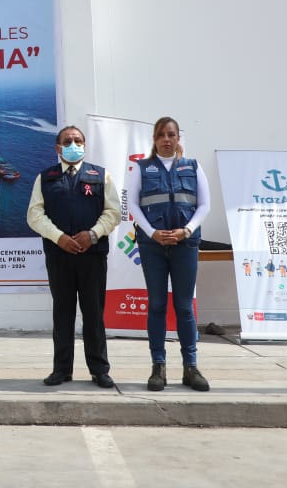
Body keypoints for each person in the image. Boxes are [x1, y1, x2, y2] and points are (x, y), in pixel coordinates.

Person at [26, 125, 121, 388]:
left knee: (93, 313)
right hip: (60, 255)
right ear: (58, 148)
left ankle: (99, 369)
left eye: (78, 140)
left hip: (92, 255)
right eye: (67, 141)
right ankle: (62, 369)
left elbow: (113, 212)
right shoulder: (45, 177)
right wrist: (60, 237)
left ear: (85, 145)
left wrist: (92, 234)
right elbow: (34, 215)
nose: (73, 144)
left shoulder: (101, 176)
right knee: (63, 313)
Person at [128, 116, 211, 392]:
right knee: (157, 305)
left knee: (185, 307)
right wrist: (152, 232)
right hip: (153, 245)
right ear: (154, 139)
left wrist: (186, 230)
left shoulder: (193, 167)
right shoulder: (141, 168)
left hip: (185, 244)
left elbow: (204, 205)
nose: (167, 139)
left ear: (178, 139)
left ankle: (191, 367)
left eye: (172, 135)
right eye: (162, 135)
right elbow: (133, 205)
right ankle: (158, 368)